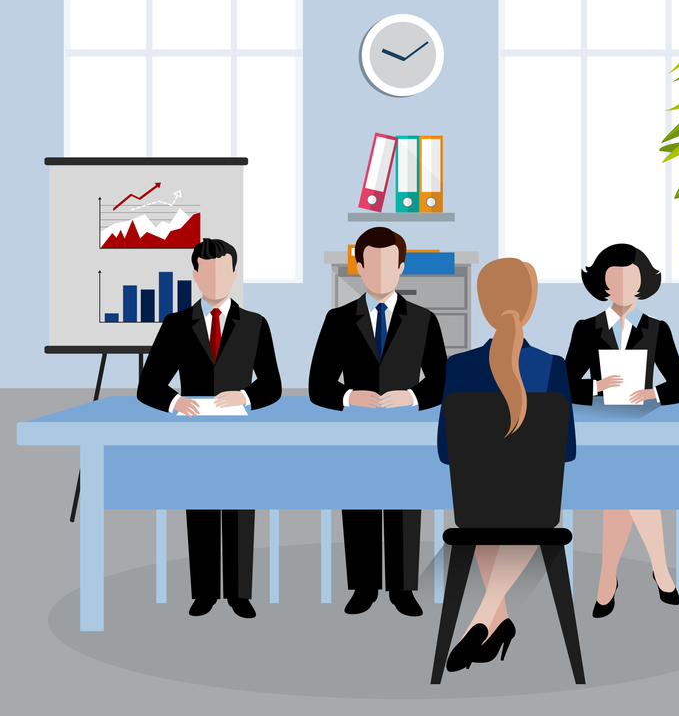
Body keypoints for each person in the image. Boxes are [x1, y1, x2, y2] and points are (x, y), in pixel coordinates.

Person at [438, 258, 576, 673]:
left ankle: (486, 619)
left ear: (483, 306)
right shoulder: (554, 367)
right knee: (521, 511)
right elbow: (566, 451)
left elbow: (447, 451)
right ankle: (492, 619)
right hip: (537, 510)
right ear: (530, 305)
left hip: (474, 510)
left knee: (486, 512)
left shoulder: (457, 367)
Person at [137, 238, 282, 619]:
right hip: (195, 434)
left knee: (239, 512)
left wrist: (246, 397)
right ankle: (204, 592)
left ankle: (238, 593)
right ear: (196, 275)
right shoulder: (176, 325)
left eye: (223, 271)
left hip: (240, 436)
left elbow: (273, 385)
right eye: (207, 271)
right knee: (200, 511)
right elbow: (148, 385)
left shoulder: (255, 324)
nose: (215, 279)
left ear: (234, 274)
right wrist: (174, 402)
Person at [308, 227, 447, 617]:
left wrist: (414, 396)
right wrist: (351, 397)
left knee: (404, 508)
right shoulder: (338, 320)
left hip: (407, 435)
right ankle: (364, 587)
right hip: (356, 434)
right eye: (373, 264)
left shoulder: (423, 319)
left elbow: (441, 380)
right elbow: (318, 383)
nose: (382, 272)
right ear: (360, 266)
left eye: (390, 264)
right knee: (359, 506)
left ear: (402, 267)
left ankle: (402, 588)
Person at [565, 243, 679, 618]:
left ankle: (607, 580)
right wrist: (596, 388)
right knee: (631, 490)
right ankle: (661, 571)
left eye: (630, 279)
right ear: (602, 284)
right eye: (614, 279)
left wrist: (653, 391)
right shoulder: (586, 329)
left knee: (623, 492)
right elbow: (565, 384)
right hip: (601, 431)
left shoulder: (657, 329)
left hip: (642, 429)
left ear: (643, 283)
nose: (622, 287)